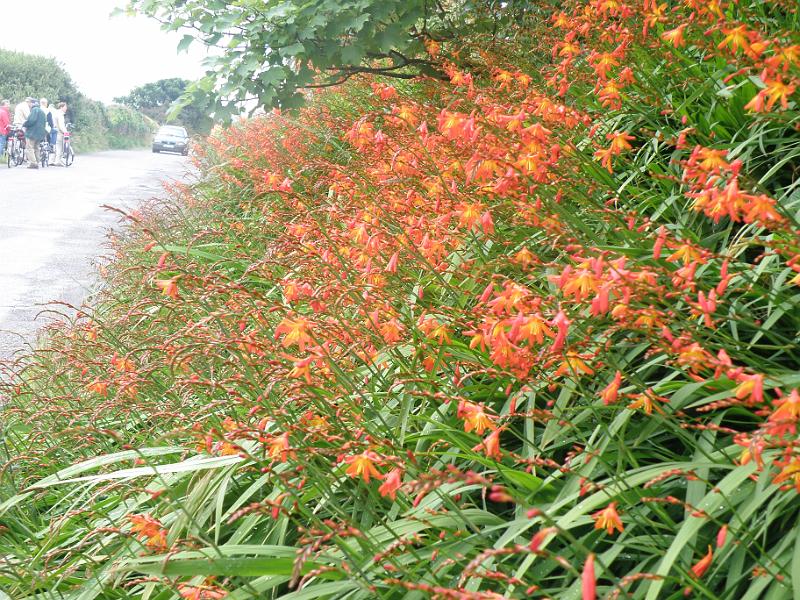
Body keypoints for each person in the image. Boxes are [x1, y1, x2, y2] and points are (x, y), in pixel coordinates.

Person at [22, 100, 46, 168]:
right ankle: (37, 161)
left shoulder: (34, 110)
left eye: (29, 103)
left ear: (32, 104)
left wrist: (24, 124)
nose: (28, 105)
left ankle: (33, 163)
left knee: (29, 147)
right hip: (40, 133)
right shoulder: (42, 112)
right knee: (36, 148)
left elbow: (31, 120)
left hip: (32, 132)